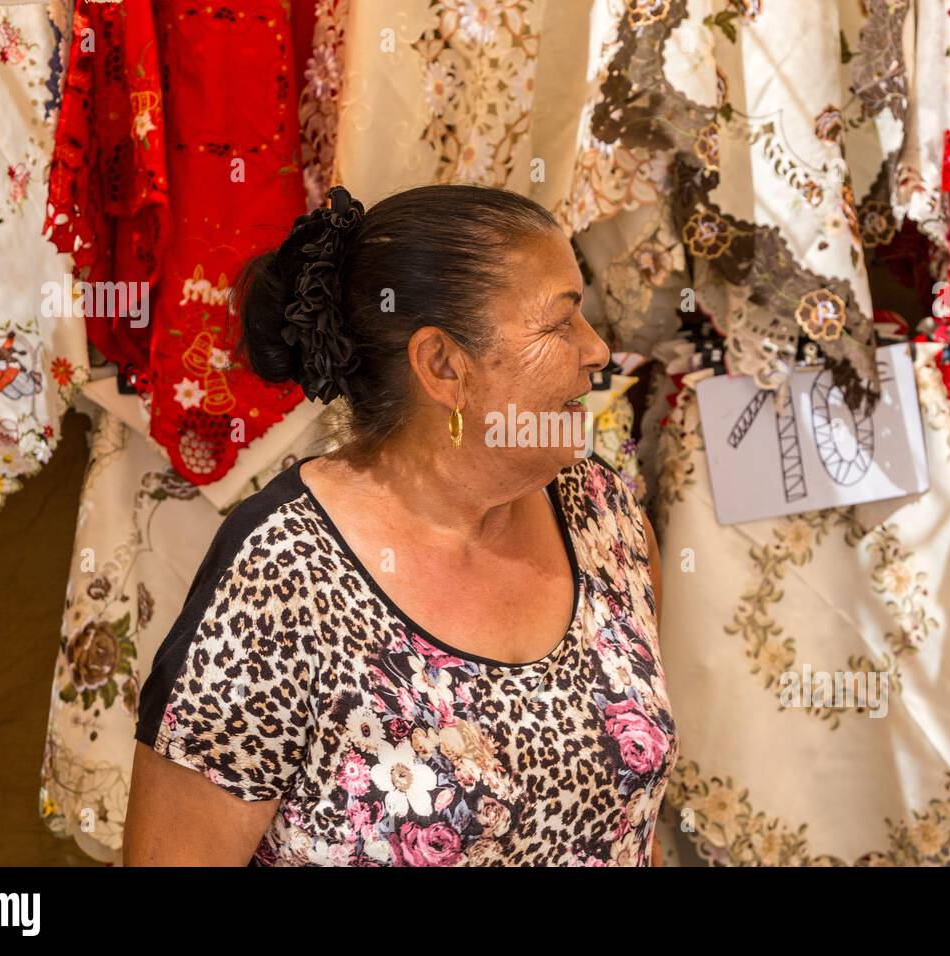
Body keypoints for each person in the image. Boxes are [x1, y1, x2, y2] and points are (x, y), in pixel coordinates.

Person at [123, 183, 676, 866]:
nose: (596, 350)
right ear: (443, 366)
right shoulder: (282, 576)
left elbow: (630, 827)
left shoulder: (607, 520)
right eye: (561, 323)